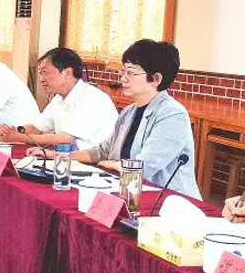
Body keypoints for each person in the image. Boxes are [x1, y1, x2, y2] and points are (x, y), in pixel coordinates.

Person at [31, 39, 200, 200]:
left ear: (156, 79)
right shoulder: (129, 111)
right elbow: (103, 151)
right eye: (123, 71)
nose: (123, 78)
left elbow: (143, 166)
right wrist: (59, 155)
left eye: (131, 73)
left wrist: (111, 164)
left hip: (168, 199)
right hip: (129, 191)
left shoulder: (172, 114)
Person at [0, 48, 118, 150]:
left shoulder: (91, 98)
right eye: (40, 73)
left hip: (95, 166)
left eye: (45, 72)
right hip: (68, 158)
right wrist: (12, 131)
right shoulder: (59, 98)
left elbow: (66, 139)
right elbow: (37, 127)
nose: (41, 79)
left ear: (67, 73)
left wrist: (18, 137)